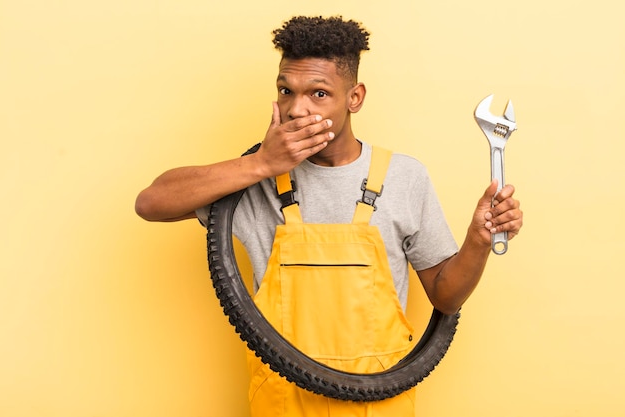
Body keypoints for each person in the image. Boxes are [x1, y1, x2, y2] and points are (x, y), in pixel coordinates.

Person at [135, 15, 523, 417]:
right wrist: (260, 164)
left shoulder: (404, 176)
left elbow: (446, 296)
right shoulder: (254, 180)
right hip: (283, 403)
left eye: (318, 94)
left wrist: (478, 243)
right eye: (286, 91)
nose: (296, 109)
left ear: (354, 98)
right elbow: (151, 203)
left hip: (380, 404)